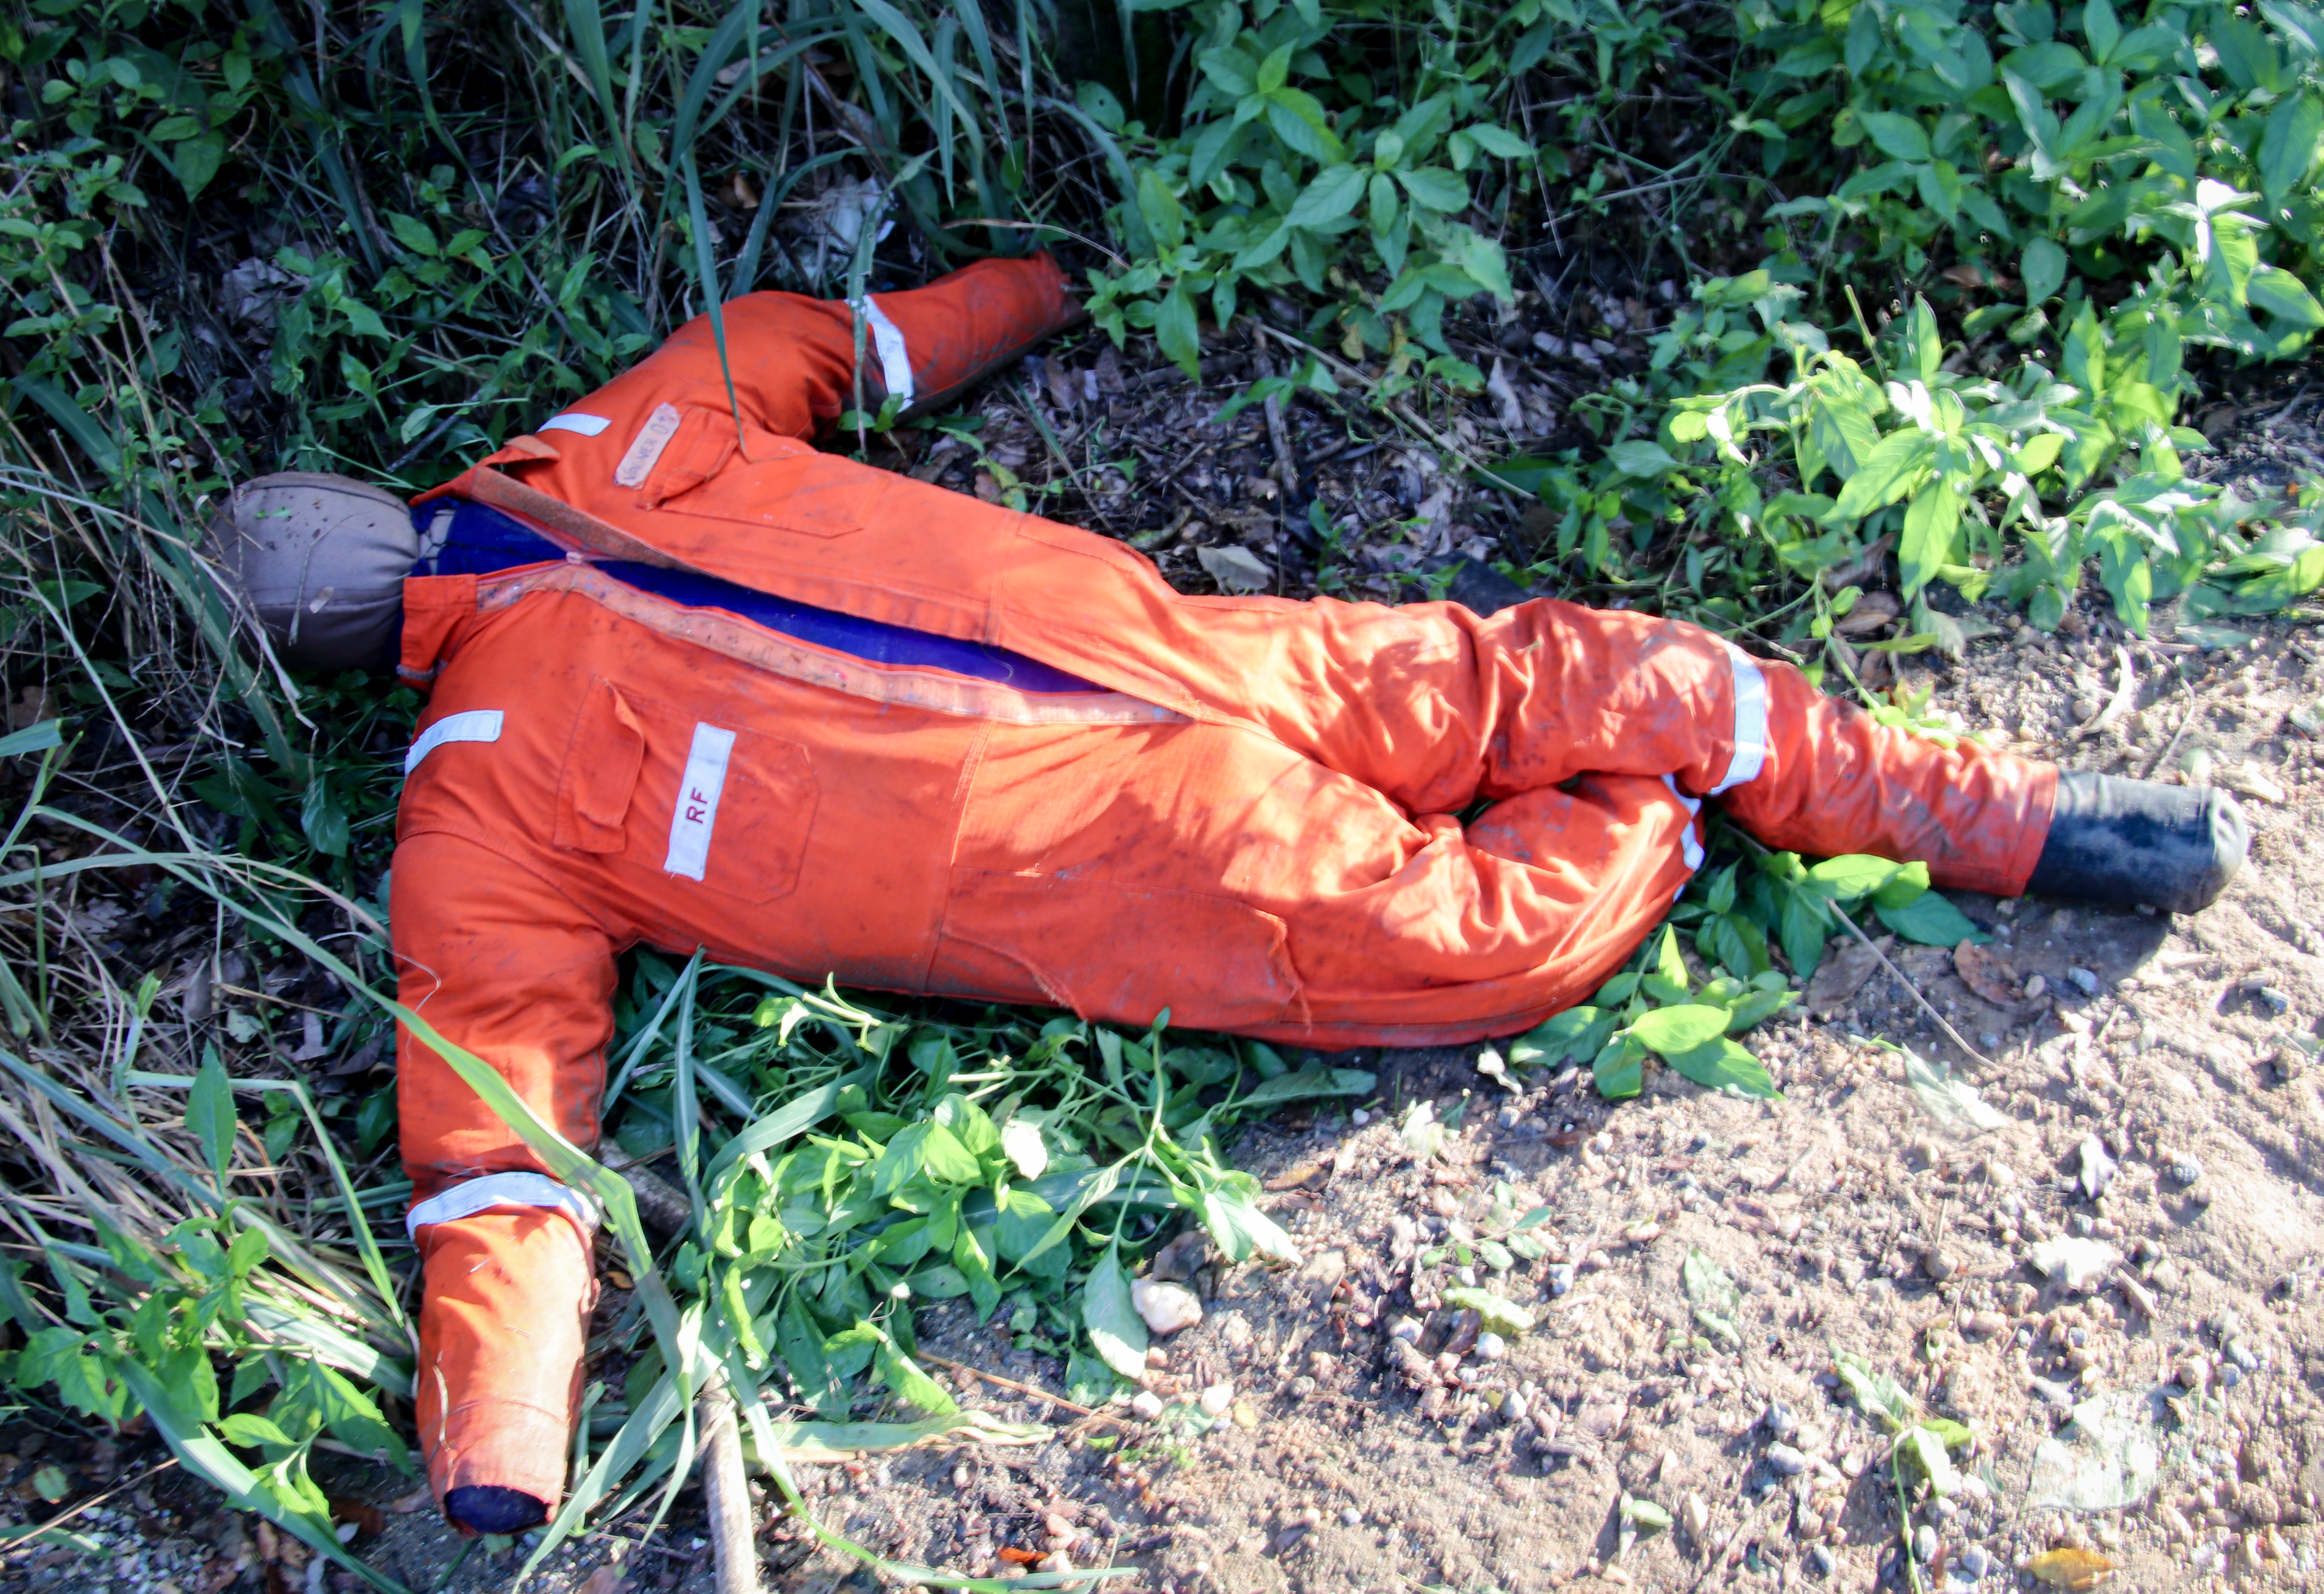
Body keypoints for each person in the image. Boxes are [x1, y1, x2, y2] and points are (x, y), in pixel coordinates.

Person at [206, 252, 2244, 1536]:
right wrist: (501, 1436)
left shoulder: (560, 573)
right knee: (1521, 805)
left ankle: (1881, 813)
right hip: (1142, 778)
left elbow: (492, 1139)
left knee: (1496, 828)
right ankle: (1838, 808)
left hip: (1163, 717)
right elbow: (496, 1132)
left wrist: (1047, 283)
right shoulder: (543, 626)